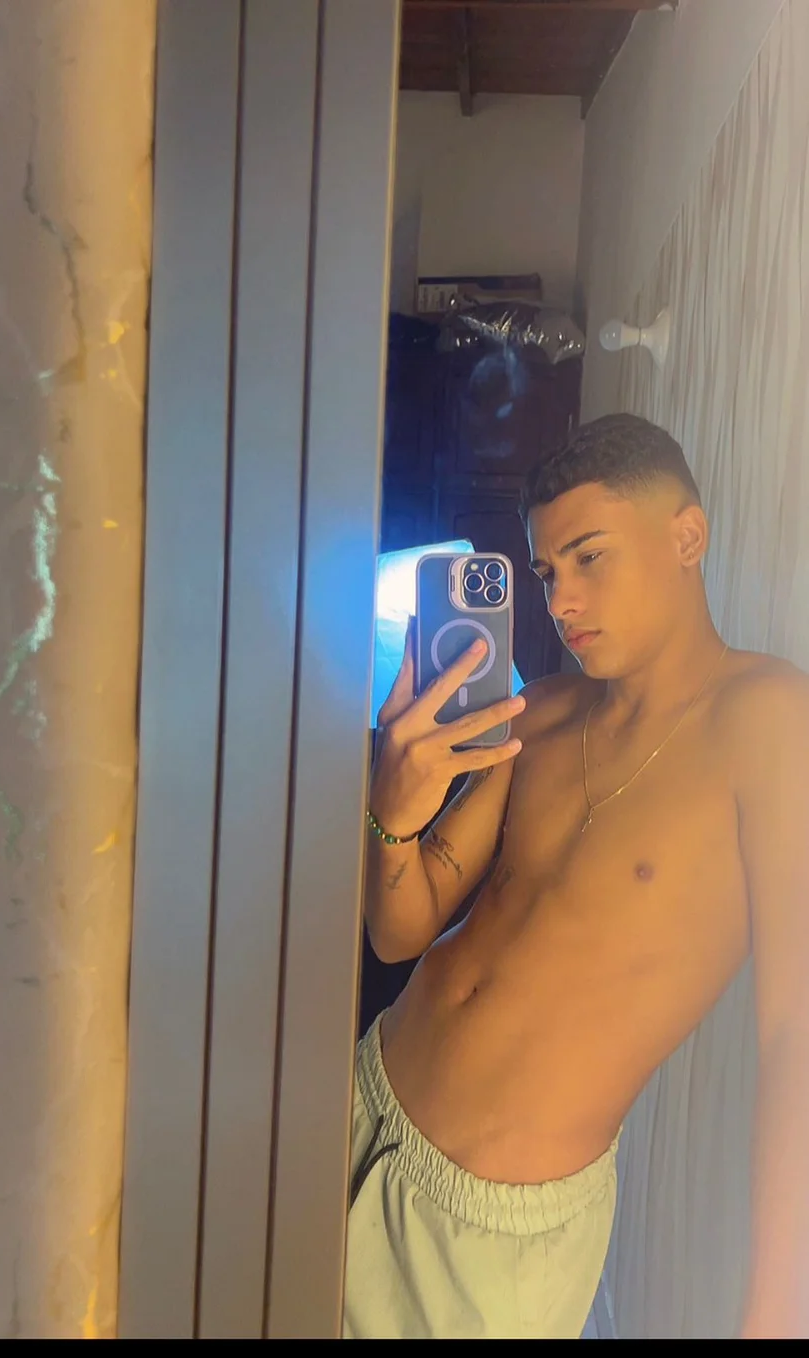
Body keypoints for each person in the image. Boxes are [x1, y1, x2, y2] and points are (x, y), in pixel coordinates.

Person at [343, 413, 809, 1340]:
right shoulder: (543, 710)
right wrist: (391, 817)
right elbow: (400, 933)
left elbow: (794, 1033)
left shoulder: (769, 720)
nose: (561, 602)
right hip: (361, 1106)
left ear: (687, 537)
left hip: (492, 1233)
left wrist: (779, 1306)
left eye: (590, 558)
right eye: (547, 572)